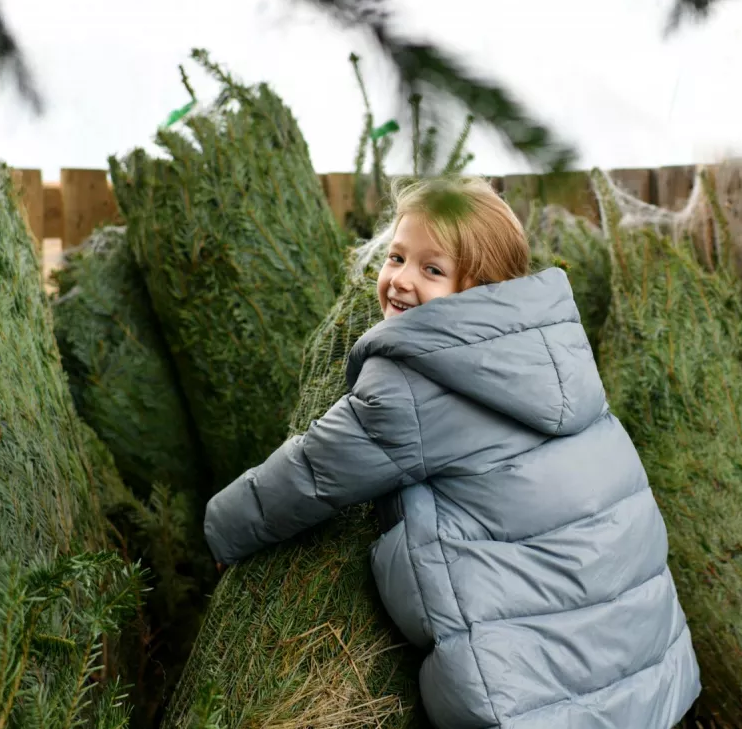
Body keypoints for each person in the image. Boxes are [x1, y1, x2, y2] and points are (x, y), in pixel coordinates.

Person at [203, 175, 701, 728]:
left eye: (432, 269)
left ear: (480, 289)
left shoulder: (413, 384)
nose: (400, 281)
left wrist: (224, 528)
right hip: (644, 664)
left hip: (521, 688)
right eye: (396, 257)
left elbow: (314, 470)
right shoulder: (553, 356)